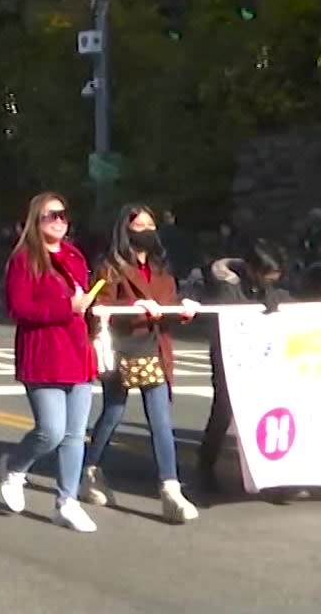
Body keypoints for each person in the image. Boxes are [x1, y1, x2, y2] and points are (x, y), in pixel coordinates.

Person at [79, 205, 201, 524]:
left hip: (155, 346)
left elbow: (169, 303)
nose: (146, 230)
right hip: (122, 347)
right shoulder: (110, 266)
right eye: (139, 225)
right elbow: (98, 306)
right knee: (113, 412)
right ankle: (90, 470)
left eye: (150, 224)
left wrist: (183, 309)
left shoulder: (161, 267)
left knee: (160, 419)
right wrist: (135, 306)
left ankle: (170, 489)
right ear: (125, 230)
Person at [0, 191, 99, 533]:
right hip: (43, 353)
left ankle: (66, 501)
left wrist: (93, 315)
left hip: (78, 353)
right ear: (35, 222)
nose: (59, 220)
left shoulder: (74, 255)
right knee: (50, 431)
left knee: (74, 435)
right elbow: (19, 309)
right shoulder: (24, 259)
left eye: (63, 214)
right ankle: (14, 466)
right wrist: (65, 309)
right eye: (50, 215)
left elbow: (83, 304)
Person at [195, 245, 288, 489]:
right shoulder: (225, 286)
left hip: (264, 356)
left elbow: (296, 304)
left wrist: (272, 295)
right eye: (267, 275)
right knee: (224, 411)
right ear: (253, 270)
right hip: (230, 356)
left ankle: (269, 469)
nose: (271, 280)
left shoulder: (271, 290)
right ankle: (205, 465)